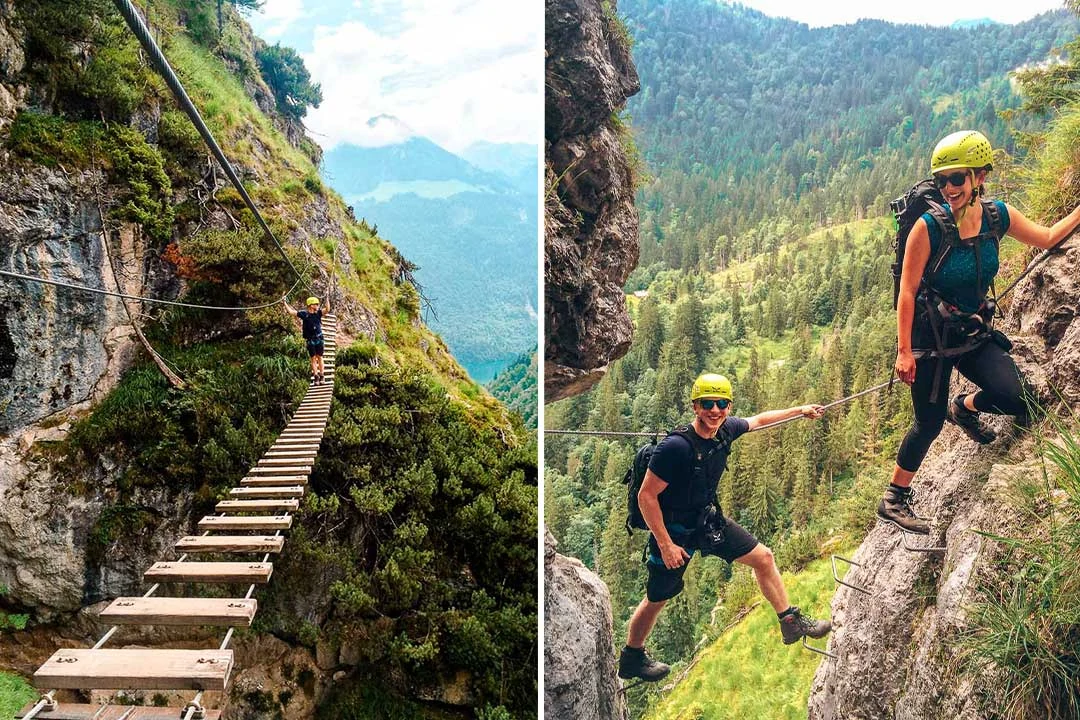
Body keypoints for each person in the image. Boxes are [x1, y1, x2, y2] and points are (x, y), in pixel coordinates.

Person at [881, 130, 1080, 535]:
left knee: (1019, 397)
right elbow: (906, 290)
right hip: (929, 340)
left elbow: (1045, 238)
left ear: (980, 175)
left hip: (970, 332)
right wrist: (904, 351)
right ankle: (894, 497)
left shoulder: (997, 216)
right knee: (928, 423)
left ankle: (966, 407)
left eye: (957, 178)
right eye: (942, 180)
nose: (949, 188)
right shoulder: (927, 228)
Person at [618, 373, 832, 683]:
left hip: (708, 522)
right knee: (657, 599)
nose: (715, 410)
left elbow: (759, 420)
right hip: (674, 531)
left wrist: (799, 410)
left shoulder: (726, 430)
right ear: (695, 406)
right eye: (708, 404)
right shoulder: (675, 448)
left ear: (729, 406)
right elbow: (646, 496)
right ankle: (632, 657)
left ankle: (790, 621)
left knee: (764, 558)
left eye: (721, 404)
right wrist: (665, 544)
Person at [284, 295, 330, 384]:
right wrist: (284, 302)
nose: (317, 306)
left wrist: (327, 297)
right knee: (313, 358)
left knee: (320, 357)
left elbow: (327, 309)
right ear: (311, 305)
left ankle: (322, 376)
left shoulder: (318, 313)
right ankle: (316, 376)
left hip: (319, 338)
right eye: (316, 304)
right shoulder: (304, 314)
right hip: (310, 340)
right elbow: (291, 312)